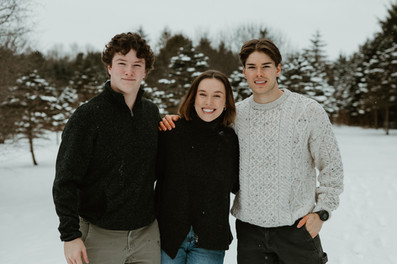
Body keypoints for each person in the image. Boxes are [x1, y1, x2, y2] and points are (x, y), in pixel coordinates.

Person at [159, 39, 344, 264]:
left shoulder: (308, 111)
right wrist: (174, 120)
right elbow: (204, 133)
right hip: (250, 234)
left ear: (278, 69)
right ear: (244, 72)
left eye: (266, 66)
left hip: (296, 230)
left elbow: (332, 167)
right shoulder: (237, 116)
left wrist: (322, 212)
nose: (259, 73)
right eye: (252, 67)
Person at [53, 32, 161, 264]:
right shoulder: (87, 117)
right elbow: (65, 180)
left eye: (137, 65)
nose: (129, 71)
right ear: (109, 67)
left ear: (145, 71)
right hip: (99, 236)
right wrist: (70, 236)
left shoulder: (152, 114)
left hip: (146, 237)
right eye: (122, 63)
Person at [156, 70, 239, 264]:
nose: (208, 102)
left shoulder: (230, 140)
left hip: (210, 241)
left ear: (226, 102)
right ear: (193, 98)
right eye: (202, 94)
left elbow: (236, 184)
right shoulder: (170, 132)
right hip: (168, 238)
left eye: (217, 96)